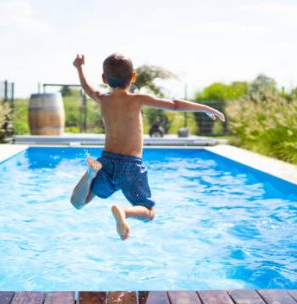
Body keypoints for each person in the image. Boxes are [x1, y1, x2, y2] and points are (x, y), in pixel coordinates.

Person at [70, 53, 225, 240]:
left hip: (106, 162)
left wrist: (80, 67)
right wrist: (205, 108)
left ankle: (90, 175)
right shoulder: (137, 99)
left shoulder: (103, 99)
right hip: (131, 166)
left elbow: (87, 87)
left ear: (104, 79)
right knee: (149, 212)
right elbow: (174, 105)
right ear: (133, 77)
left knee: (79, 202)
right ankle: (124, 212)